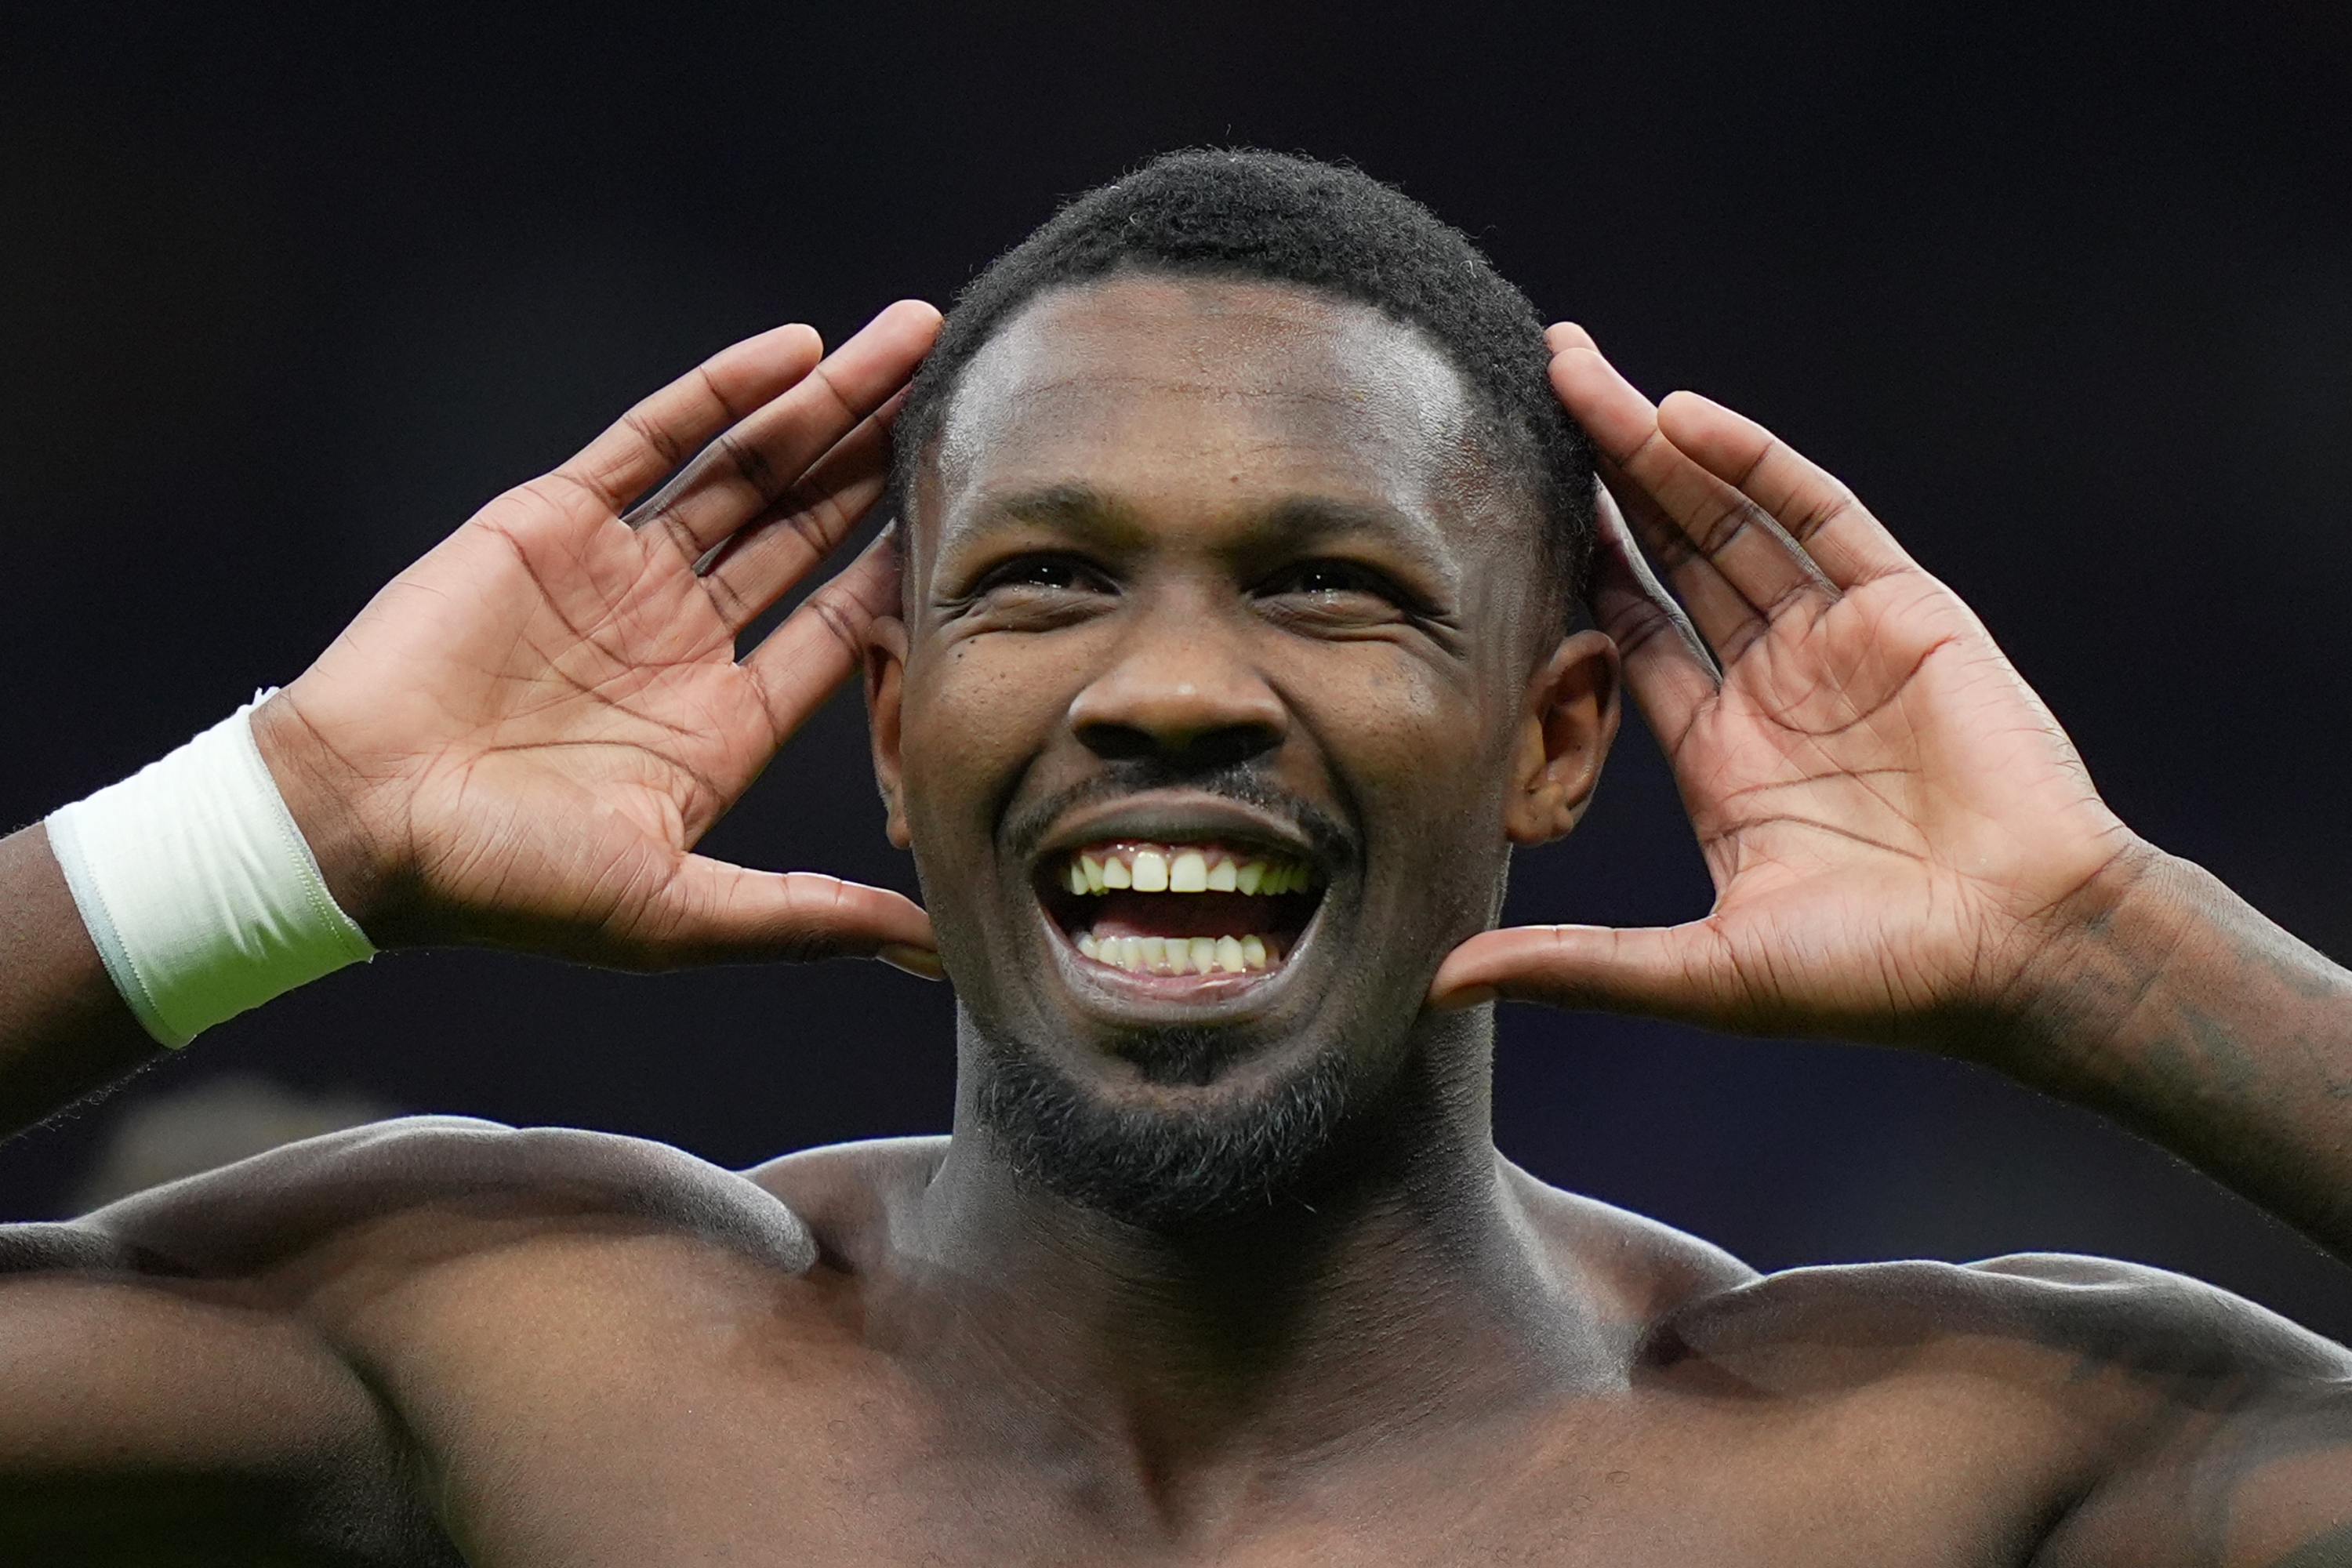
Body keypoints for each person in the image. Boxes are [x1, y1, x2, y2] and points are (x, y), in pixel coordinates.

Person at [1, 149, 2348, 1565]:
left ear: (1555, 743)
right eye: (1041, 580)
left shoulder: (1942, 1469)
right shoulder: (509, 1356)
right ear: (900, 738)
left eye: (1333, 583)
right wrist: (283, 831)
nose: (1174, 690)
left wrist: (2111, 956)